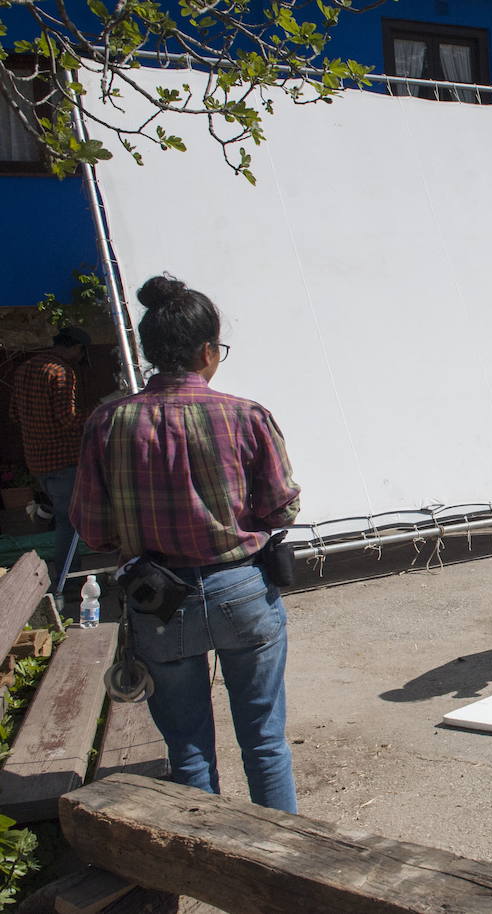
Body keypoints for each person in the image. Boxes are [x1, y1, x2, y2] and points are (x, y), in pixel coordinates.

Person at [71, 274, 302, 812]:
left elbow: (94, 528)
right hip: (242, 590)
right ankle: (285, 863)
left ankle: (206, 855)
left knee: (189, 751)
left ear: (152, 352)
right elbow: (283, 505)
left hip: (157, 599)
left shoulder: (108, 422)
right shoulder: (246, 415)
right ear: (206, 351)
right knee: (265, 742)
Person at [8, 326, 92, 589]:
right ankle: (65, 584)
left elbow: (14, 413)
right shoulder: (61, 372)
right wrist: (97, 413)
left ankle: (64, 579)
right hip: (62, 460)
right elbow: (68, 419)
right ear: (76, 348)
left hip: (37, 460)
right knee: (68, 523)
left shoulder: (24, 369)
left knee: (61, 517)